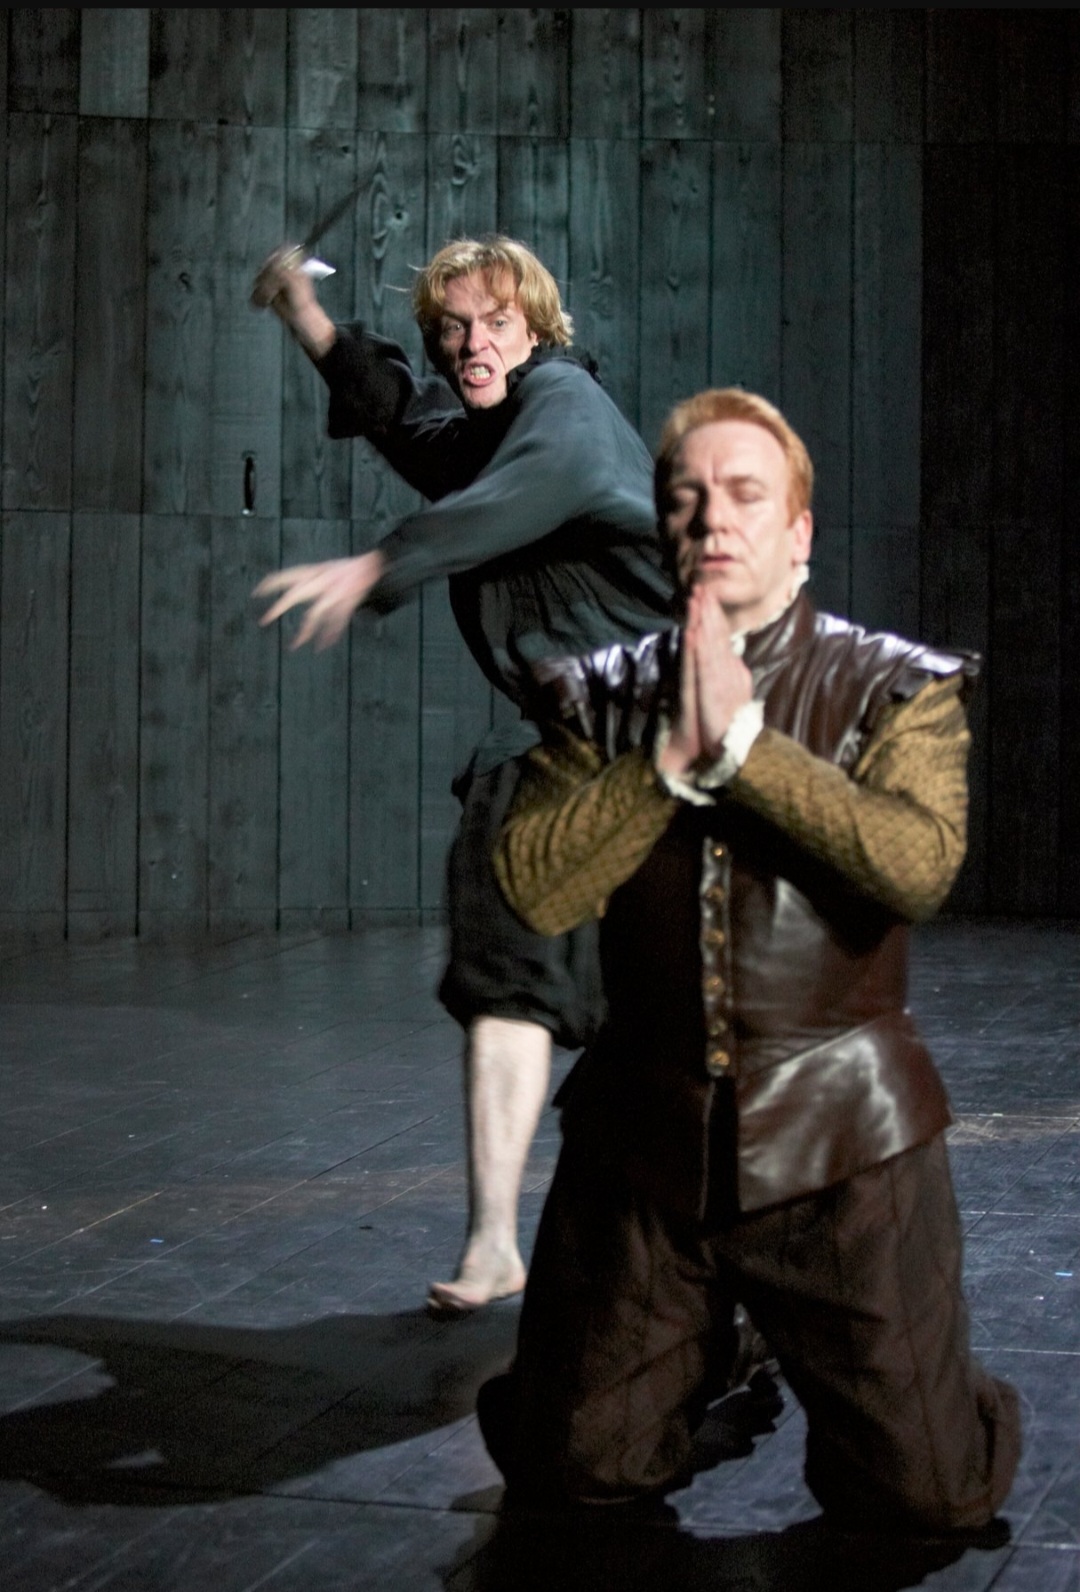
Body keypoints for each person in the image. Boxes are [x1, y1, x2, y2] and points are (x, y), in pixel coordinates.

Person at [483, 387, 1021, 1536]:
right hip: (643, 1138)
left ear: (799, 529)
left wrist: (744, 751)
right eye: (686, 497)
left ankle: (894, 1374)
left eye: (744, 494)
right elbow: (537, 883)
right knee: (573, 1470)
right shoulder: (596, 693)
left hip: (846, 1142)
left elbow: (918, 866)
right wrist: (665, 763)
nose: (712, 517)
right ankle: (714, 1351)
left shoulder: (897, 685)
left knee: (926, 1494)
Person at [250, 236, 675, 1313]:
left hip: (668, 735)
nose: (472, 344)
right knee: (507, 962)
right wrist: (304, 313)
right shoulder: (485, 434)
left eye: (495, 323)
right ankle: (492, 1241)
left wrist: (383, 562)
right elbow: (402, 418)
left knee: (680, 1017)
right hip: (568, 741)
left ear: (537, 329)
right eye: (453, 328)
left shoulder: (565, 404)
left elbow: (549, 481)